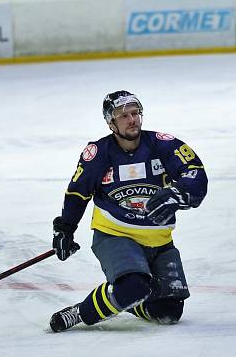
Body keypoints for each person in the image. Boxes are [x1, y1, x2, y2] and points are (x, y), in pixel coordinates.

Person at [48, 90, 208, 332]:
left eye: (135, 113)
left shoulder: (163, 144)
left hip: (160, 240)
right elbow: (78, 192)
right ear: (111, 123)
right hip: (115, 235)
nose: (132, 119)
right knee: (133, 286)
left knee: (168, 313)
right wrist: (65, 229)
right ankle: (80, 312)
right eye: (123, 116)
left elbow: (196, 174)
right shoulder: (98, 153)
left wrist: (179, 193)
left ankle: (127, 300)